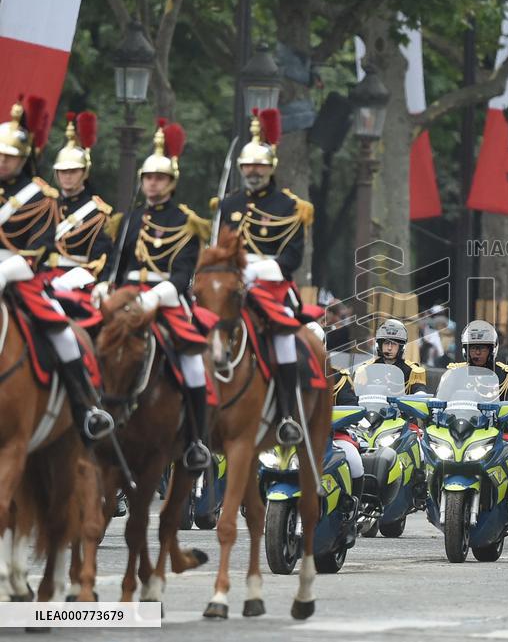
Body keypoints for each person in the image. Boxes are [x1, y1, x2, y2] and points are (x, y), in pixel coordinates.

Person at [97, 119, 212, 471]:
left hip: (165, 299)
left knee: (192, 364)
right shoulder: (128, 219)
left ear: (171, 182)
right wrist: (104, 283)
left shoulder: (187, 222)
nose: (152, 184)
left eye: (159, 178)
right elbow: (116, 263)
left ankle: (195, 440)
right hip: (126, 296)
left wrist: (155, 296)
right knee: (94, 340)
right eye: (148, 178)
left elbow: (181, 275)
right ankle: (92, 414)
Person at [0, 98, 114, 445]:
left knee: (62, 332)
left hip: (20, 276)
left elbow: (37, 252)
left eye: (9, 156)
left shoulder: (40, 199)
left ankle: (84, 407)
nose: (2, 161)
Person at [216, 108, 314, 447]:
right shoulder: (228, 204)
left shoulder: (290, 206)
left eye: (258, 166)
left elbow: (292, 257)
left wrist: (256, 269)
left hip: (271, 286)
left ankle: (286, 414)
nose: (252, 172)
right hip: (232, 284)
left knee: (285, 339)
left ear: (270, 167)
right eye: (247, 166)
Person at [448, 320, 508, 478]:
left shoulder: (503, 374)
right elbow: (441, 399)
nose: (476, 353)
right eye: (473, 348)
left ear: (492, 350)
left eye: (482, 348)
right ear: (466, 350)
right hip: (458, 432)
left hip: (496, 432)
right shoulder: (455, 374)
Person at [50, 111, 116, 281]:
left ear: (84, 173)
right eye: (63, 171)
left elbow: (100, 258)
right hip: (40, 275)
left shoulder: (97, 213)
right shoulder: (46, 205)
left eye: (73, 171)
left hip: (75, 280)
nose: (67, 176)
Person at [355, 318, 427, 394]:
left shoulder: (411, 370)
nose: (389, 348)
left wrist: (420, 392)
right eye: (386, 343)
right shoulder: (366, 368)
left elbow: (419, 388)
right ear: (380, 345)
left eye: (394, 344)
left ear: (401, 347)